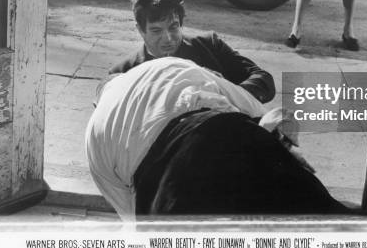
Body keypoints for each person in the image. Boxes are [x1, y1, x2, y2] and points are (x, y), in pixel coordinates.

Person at [87, 57, 350, 218]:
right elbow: (250, 105)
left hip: (172, 179)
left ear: (97, 103)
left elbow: (128, 209)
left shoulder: (94, 133)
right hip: (229, 133)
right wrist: (276, 146)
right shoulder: (165, 66)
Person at [109, 0, 275, 103]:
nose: (167, 38)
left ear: (181, 23)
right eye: (156, 30)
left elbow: (264, 79)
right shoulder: (123, 73)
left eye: (173, 27)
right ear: (140, 30)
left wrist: (224, 94)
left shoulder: (209, 45)